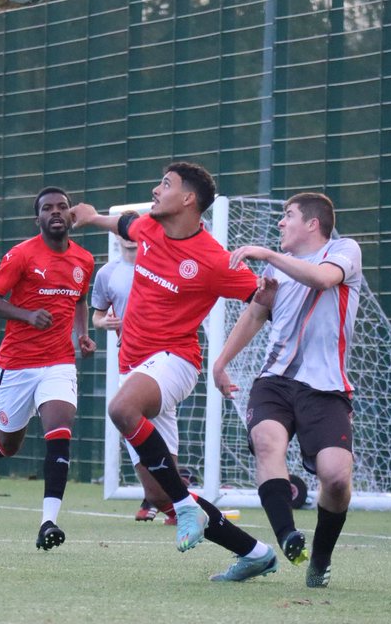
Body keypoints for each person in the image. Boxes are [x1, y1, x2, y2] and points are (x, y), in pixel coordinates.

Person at [70, 161, 280, 581]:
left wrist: (227, 359)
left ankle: (186, 508)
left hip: (176, 361)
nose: (155, 189)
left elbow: (264, 300)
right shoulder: (148, 227)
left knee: (122, 409)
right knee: (160, 494)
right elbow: (124, 223)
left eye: (165, 184)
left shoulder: (213, 260)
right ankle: (255, 552)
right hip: (136, 367)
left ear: (188, 199)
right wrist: (93, 217)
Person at [211, 192, 363, 589]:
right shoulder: (279, 270)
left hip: (326, 387)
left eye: (288, 216)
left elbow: (323, 278)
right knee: (266, 443)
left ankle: (321, 560)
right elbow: (256, 312)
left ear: (313, 223)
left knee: (335, 478)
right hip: (275, 380)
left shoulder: (343, 250)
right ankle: (286, 537)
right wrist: (221, 362)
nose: (280, 223)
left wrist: (267, 254)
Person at [0, 186, 97, 551]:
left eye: (62, 207)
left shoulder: (84, 260)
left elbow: (81, 299)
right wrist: (27, 315)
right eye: (47, 208)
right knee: (9, 444)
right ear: (38, 218)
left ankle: (48, 523)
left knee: (59, 431)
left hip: (59, 362)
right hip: (17, 365)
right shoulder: (21, 256)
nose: (56, 212)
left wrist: (82, 335)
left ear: (71, 215)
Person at [91, 235, 174, 524]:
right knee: (133, 426)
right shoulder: (107, 273)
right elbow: (97, 316)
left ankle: (164, 498)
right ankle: (162, 498)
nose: (129, 239)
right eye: (123, 233)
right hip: (128, 360)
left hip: (165, 360)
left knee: (156, 431)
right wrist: (105, 323)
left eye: (134, 233)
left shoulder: (160, 267)